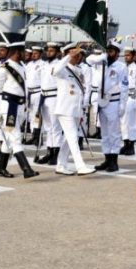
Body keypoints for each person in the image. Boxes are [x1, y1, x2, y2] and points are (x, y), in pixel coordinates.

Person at [0, 41, 39, 179]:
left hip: (19, 107)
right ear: (17, 52)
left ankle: (1, 169)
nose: (25, 54)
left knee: (9, 139)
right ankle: (26, 169)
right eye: (23, 51)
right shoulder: (4, 68)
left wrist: (26, 106)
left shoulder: (22, 67)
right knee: (15, 137)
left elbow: (24, 89)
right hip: (9, 108)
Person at [52, 43, 96, 176]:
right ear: (68, 54)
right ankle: (80, 166)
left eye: (78, 55)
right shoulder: (62, 69)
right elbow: (56, 70)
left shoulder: (79, 70)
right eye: (75, 54)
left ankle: (61, 164)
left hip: (76, 109)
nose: (78, 57)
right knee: (72, 138)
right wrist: (67, 57)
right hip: (65, 109)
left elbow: (81, 91)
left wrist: (82, 108)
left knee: (69, 139)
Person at [86, 40, 129, 172]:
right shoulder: (100, 62)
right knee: (104, 133)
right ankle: (106, 158)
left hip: (114, 101)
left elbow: (124, 87)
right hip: (101, 101)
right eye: (108, 50)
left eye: (111, 51)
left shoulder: (121, 67)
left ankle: (114, 161)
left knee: (114, 133)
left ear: (117, 53)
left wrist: (122, 104)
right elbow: (88, 60)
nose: (109, 53)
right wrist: (101, 57)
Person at [37, 42, 64, 165]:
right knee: (48, 127)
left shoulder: (59, 65)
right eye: (48, 50)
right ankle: (49, 151)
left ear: (58, 52)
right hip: (44, 97)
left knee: (55, 127)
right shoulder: (43, 65)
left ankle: (55, 153)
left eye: (52, 50)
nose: (49, 52)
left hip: (54, 97)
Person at [120, 47, 136, 155]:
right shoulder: (123, 68)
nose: (126, 57)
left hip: (132, 97)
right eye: (125, 55)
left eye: (128, 55)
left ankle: (131, 146)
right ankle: (125, 144)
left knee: (131, 123)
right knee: (123, 123)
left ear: (133, 56)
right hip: (123, 97)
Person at [24, 46, 44, 145]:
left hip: (38, 92)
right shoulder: (29, 65)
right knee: (31, 115)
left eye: (36, 53)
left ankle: (38, 136)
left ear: (40, 54)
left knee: (37, 115)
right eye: (33, 53)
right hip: (29, 92)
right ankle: (33, 135)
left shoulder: (43, 65)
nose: (34, 55)